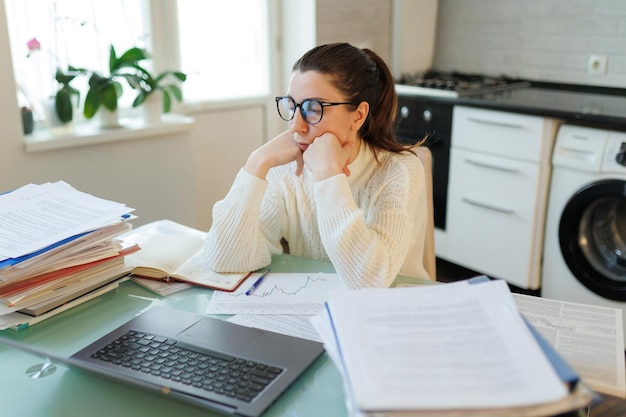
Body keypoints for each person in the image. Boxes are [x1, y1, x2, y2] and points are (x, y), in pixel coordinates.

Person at [205, 42, 429, 289]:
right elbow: (225, 259)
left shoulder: (399, 171)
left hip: (396, 315)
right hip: (318, 313)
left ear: (358, 115)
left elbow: (368, 283)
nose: (295, 126)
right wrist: (257, 163)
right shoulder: (287, 171)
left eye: (313, 109)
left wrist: (329, 177)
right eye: (292, 106)